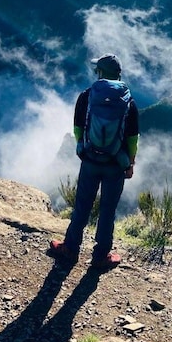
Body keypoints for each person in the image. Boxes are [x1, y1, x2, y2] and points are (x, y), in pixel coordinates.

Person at [49, 53, 139, 270]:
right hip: (116, 164)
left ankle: (70, 248)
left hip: (90, 160)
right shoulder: (129, 103)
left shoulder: (86, 96)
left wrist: (84, 147)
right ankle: (101, 256)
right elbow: (132, 139)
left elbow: (78, 128)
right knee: (108, 209)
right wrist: (130, 164)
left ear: (100, 73)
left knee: (82, 206)